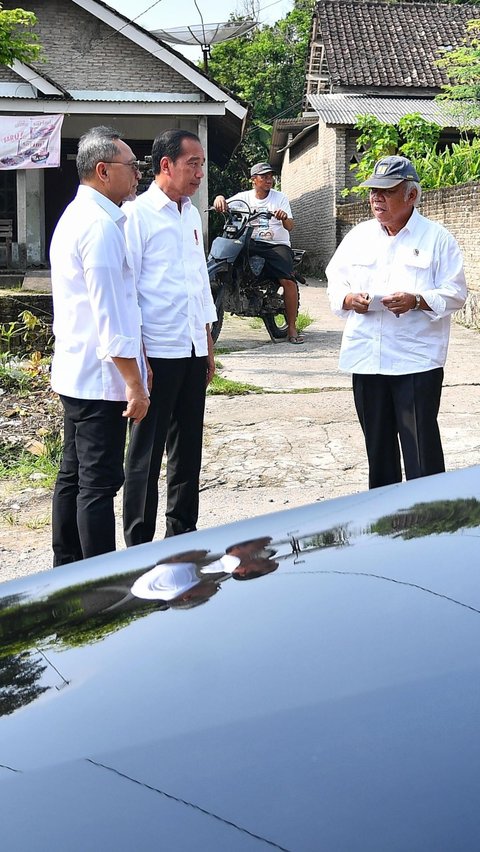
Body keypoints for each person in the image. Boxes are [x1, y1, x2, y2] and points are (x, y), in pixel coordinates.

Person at [326, 154, 467, 489]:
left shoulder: (436, 238)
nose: (376, 198)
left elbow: (456, 292)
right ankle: (386, 528)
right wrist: (348, 299)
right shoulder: (359, 236)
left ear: (411, 195)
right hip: (367, 360)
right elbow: (335, 279)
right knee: (379, 453)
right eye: (373, 190)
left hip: (414, 362)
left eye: (386, 191)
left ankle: (431, 525)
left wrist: (417, 300)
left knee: (421, 453)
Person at [50, 126, 149, 566]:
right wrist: (135, 383)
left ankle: (67, 569)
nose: (137, 175)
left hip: (77, 372)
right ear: (103, 170)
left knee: (73, 477)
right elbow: (111, 315)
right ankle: (99, 581)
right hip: (99, 379)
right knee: (98, 482)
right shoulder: (99, 227)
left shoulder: (79, 215)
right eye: (132, 166)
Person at [122, 129, 216, 545]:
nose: (199, 174)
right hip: (156, 352)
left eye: (202, 164)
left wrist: (208, 345)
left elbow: (200, 283)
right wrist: (138, 363)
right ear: (166, 165)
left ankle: (182, 533)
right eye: (192, 164)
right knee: (145, 452)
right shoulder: (136, 216)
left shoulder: (192, 215)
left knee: (187, 450)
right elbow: (129, 293)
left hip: (192, 348)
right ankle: (138, 543)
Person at [213, 162, 304, 344]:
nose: (269, 180)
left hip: (275, 245)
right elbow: (224, 204)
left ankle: (292, 327)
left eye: (271, 176)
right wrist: (219, 199)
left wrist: (284, 217)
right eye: (264, 177)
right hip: (250, 242)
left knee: (287, 280)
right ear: (254, 180)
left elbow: (291, 226)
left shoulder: (280, 198)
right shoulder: (243, 197)